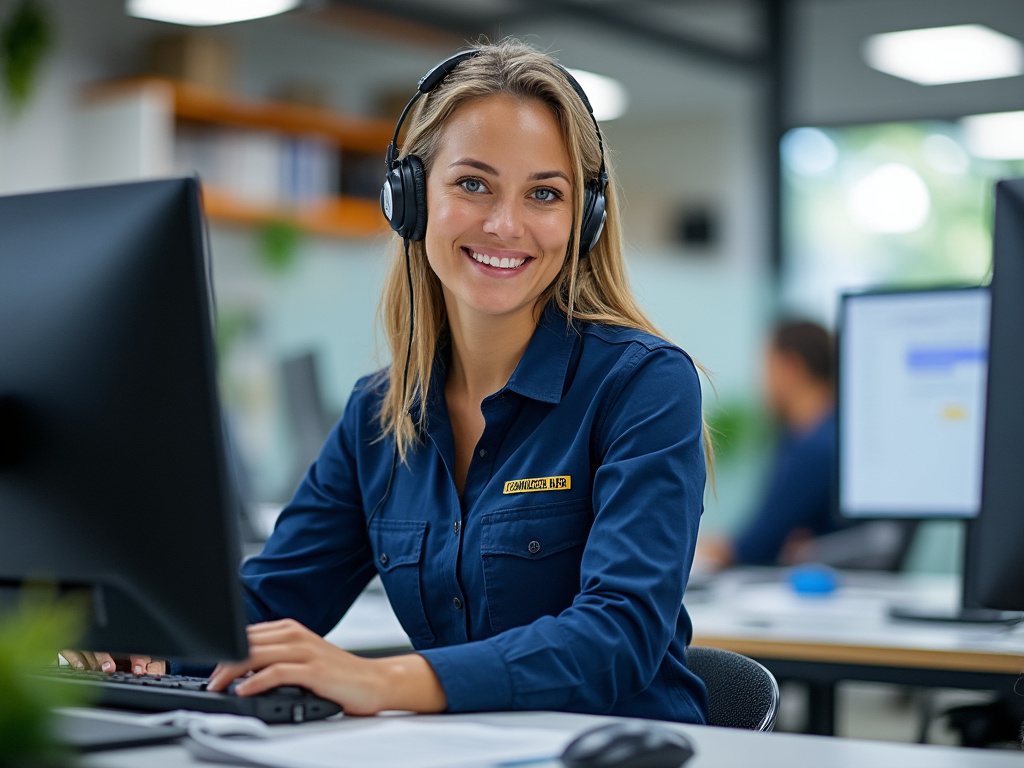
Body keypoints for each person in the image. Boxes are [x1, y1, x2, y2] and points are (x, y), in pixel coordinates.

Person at [64, 39, 711, 723]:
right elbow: (268, 605)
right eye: (472, 184)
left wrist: (385, 680)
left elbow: (620, 636)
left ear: (585, 218)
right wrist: (149, 648)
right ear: (409, 198)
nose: (505, 224)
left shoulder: (642, 386)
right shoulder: (381, 414)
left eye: (544, 194)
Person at [701, 320, 840, 569]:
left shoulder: (815, 445)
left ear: (790, 366)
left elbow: (756, 545)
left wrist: (700, 548)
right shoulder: (821, 434)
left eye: (767, 368)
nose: (762, 383)